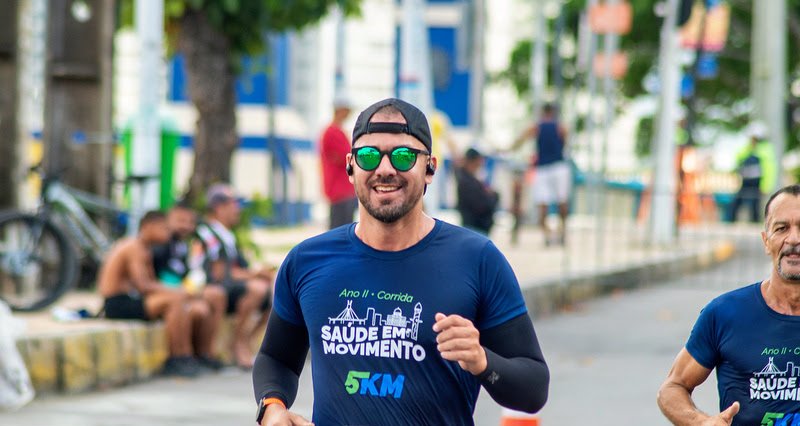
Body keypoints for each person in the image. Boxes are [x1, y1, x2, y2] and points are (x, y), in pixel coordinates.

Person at [252, 98, 549, 425]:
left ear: (430, 168)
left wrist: (482, 361)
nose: (385, 169)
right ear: (351, 166)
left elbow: (533, 389)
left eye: (403, 156)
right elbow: (276, 358)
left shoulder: (477, 260)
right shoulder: (307, 261)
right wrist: (272, 407)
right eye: (369, 156)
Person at [657, 184, 800, 425]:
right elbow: (672, 387)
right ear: (766, 241)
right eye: (781, 228)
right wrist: (701, 422)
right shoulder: (725, 313)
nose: (794, 239)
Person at [97, 210, 212, 377]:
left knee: (182, 300)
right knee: (175, 300)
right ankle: (176, 358)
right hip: (117, 303)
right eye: (163, 228)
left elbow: (151, 283)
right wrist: (178, 291)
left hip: (131, 299)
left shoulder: (144, 248)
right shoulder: (133, 247)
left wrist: (181, 292)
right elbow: (143, 285)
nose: (168, 233)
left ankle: (188, 356)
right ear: (148, 227)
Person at [195, 184, 274, 369]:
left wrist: (259, 273)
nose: (238, 210)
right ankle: (238, 343)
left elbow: (239, 267)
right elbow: (218, 273)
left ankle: (247, 340)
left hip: (231, 285)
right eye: (234, 204)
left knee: (276, 291)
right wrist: (254, 274)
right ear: (219, 207)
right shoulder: (207, 233)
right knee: (257, 289)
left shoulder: (227, 235)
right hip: (212, 285)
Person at [151, 201, 227, 370]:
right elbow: (153, 280)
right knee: (199, 307)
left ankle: (205, 353)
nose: (185, 226)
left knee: (212, 298)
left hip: (181, 290)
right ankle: (181, 356)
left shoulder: (185, 245)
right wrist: (184, 292)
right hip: (166, 294)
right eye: (180, 221)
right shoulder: (160, 244)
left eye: (189, 222)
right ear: (167, 221)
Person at [509, 103, 571, 246]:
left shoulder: (536, 127)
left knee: (542, 204)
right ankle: (563, 232)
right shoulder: (561, 127)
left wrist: (508, 149)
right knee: (562, 201)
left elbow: (520, 141)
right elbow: (565, 145)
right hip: (558, 166)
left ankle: (547, 235)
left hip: (543, 168)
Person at [320, 95, 358, 229]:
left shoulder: (337, 131)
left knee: (343, 227)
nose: (348, 114)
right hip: (339, 190)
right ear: (340, 110)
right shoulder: (332, 132)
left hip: (344, 190)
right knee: (340, 229)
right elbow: (347, 156)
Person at [729, 122, 778, 223]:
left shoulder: (766, 150)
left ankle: (754, 224)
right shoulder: (748, 149)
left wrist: (765, 186)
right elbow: (738, 157)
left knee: (754, 206)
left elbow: (770, 170)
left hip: (757, 183)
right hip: (745, 182)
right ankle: (730, 222)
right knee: (736, 203)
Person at [454, 147, 499, 235]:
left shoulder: (469, 179)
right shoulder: (466, 182)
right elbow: (482, 205)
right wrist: (494, 196)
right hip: (475, 228)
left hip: (476, 228)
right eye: (478, 162)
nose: (480, 164)